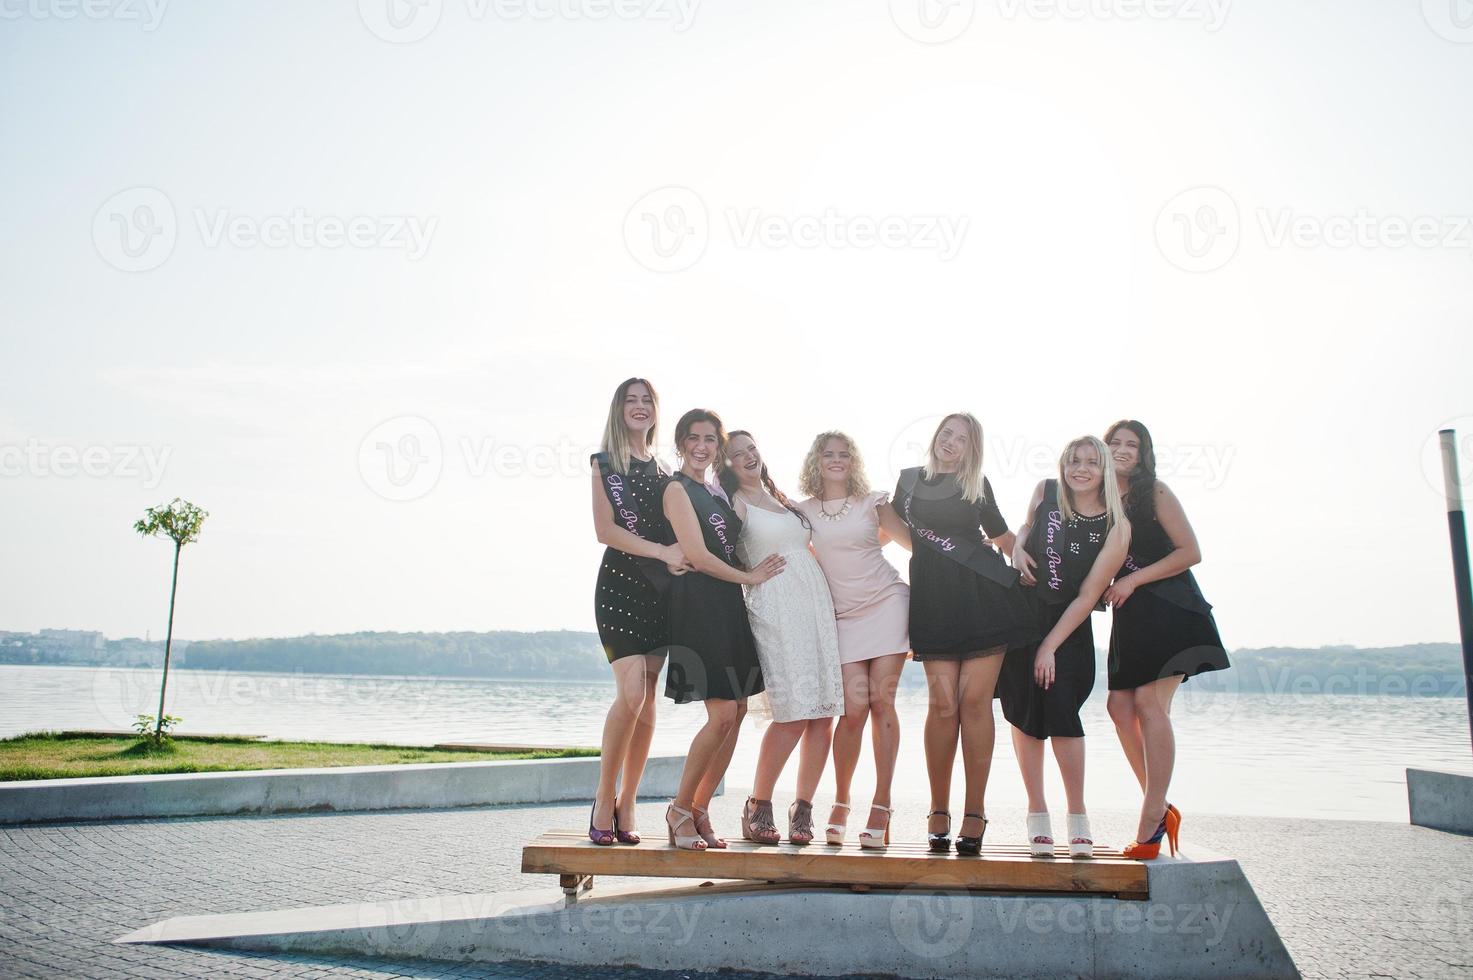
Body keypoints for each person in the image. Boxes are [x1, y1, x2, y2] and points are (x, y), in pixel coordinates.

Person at [892, 413, 1039, 855]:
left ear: (972, 448)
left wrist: (1035, 566)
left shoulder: (977, 485)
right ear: (936, 437)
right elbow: (886, 531)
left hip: (983, 600)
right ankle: (939, 808)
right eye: (946, 433)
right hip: (934, 602)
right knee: (942, 705)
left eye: (961, 438)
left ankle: (975, 811)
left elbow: (1004, 537)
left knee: (974, 704)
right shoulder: (908, 482)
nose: (950, 442)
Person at [1102, 419, 1230, 860]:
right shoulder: (1094, 500)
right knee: (1118, 708)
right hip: (1129, 615)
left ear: (1143, 453)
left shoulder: (1154, 492)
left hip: (1170, 607)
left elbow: (1190, 551)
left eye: (1131, 445)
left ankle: (1151, 816)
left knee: (1148, 706)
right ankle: (1159, 805)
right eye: (1114, 442)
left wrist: (1133, 579)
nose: (1121, 450)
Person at [661, 409, 785, 851]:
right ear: (680, 443)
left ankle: (699, 808)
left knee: (737, 712)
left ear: (718, 447)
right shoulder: (676, 488)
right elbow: (695, 554)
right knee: (721, 715)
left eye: (710, 439)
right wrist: (750, 577)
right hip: (698, 606)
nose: (702, 445)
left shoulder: (714, 491)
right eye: (693, 438)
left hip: (730, 606)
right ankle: (678, 807)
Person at [1001, 436, 1131, 859]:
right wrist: (1019, 547)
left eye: (1092, 462)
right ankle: (1037, 814)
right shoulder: (1047, 491)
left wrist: (1049, 647)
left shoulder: (1116, 524)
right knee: (1024, 716)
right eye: (1074, 460)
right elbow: (1026, 526)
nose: (1081, 469)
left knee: (1062, 715)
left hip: (1068, 629)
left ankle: (1078, 817)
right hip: (1022, 620)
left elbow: (1088, 595)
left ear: (1104, 470)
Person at [720, 431, 844, 845]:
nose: (748, 456)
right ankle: (758, 804)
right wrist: (747, 577)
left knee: (823, 712)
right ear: (727, 464)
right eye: (737, 454)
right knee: (791, 712)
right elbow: (715, 551)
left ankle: (803, 809)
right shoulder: (732, 502)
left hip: (814, 606)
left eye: (751, 448)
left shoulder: (781, 498)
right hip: (774, 609)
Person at [793, 432, 912, 850]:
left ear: (854, 460)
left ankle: (881, 804)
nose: (837, 460)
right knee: (853, 708)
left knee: (882, 701)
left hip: (887, 602)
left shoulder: (873, 501)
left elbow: (914, 544)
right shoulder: (801, 511)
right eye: (828, 454)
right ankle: (841, 800)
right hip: (841, 616)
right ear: (816, 460)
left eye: (844, 454)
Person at [587, 378, 689, 846]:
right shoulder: (604, 463)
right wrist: (662, 551)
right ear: (618, 409)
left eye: (647, 400)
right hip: (621, 588)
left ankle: (629, 800)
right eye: (631, 400)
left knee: (647, 699)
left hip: (661, 593)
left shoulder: (666, 466)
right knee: (630, 694)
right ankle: (603, 795)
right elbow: (606, 531)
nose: (640, 406)